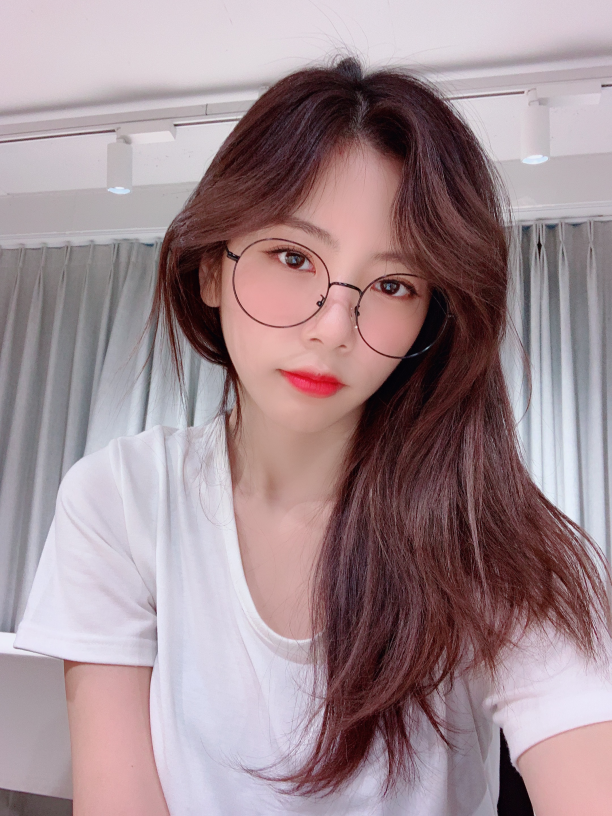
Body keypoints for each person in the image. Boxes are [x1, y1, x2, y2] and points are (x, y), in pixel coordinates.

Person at [13, 56, 612, 816]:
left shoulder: (488, 537)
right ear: (211, 271)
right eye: (292, 257)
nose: (333, 328)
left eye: (393, 285)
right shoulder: (122, 499)